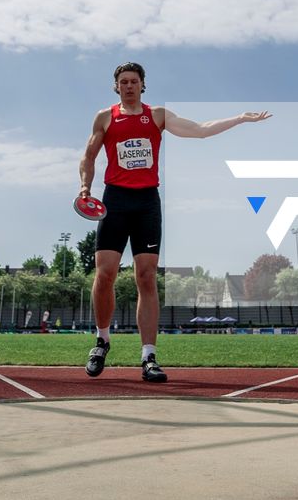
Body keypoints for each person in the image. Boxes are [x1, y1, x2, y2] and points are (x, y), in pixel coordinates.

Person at [77, 61, 270, 381]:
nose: (129, 86)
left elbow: (200, 130)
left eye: (134, 81)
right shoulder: (105, 117)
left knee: (146, 277)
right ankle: (102, 341)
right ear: (116, 86)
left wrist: (238, 118)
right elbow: (88, 156)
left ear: (142, 85)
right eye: (123, 81)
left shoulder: (157, 116)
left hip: (146, 203)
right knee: (105, 273)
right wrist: (85, 187)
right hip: (115, 200)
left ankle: (148, 356)